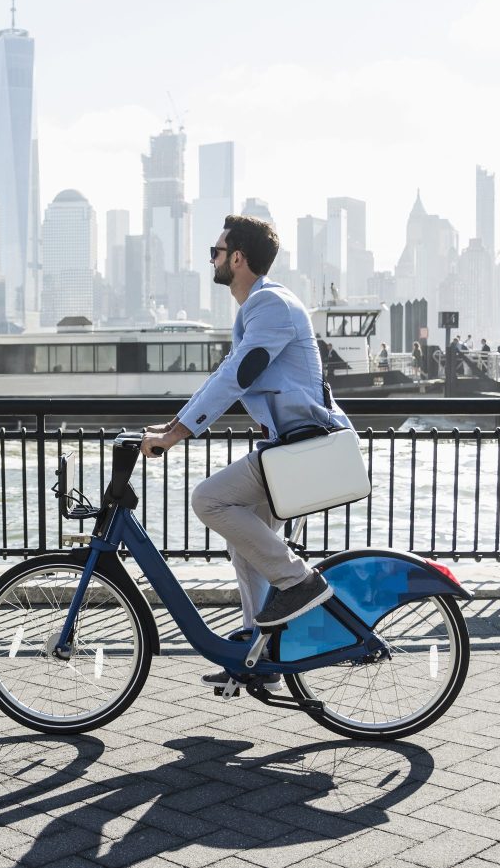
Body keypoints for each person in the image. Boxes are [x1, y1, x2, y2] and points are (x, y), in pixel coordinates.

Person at [141, 215, 350, 693]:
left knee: (208, 500)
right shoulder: (258, 308)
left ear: (237, 258)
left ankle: (299, 581)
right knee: (246, 546)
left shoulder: (269, 304)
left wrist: (177, 436)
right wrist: (172, 427)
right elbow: (226, 374)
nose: (211, 260)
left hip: (303, 448)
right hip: (289, 449)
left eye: (214, 252)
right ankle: (261, 657)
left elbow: (238, 376)